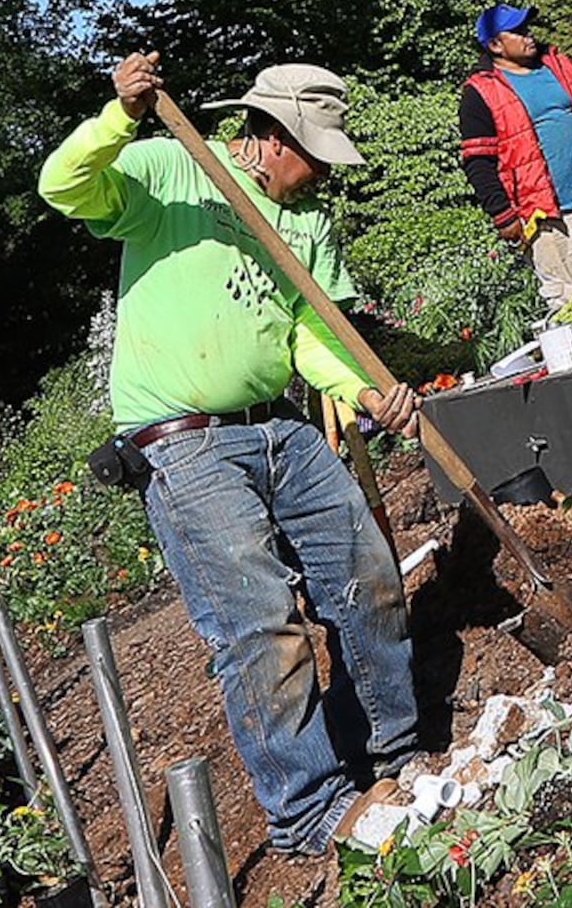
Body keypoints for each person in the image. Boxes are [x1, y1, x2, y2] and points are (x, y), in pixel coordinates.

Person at [39, 53, 424, 859]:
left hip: (277, 426)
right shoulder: (174, 168)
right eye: (317, 151)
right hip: (184, 445)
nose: (324, 170)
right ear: (276, 136)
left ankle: (390, 756)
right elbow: (62, 186)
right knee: (260, 626)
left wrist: (361, 394)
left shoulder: (308, 221)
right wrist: (120, 115)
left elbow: (311, 330)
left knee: (371, 576)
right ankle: (308, 809)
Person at [457, 5, 572, 316]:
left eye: (528, 28)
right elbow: (478, 163)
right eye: (518, 31)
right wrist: (503, 215)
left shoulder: (558, 65)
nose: (528, 35)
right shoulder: (480, 93)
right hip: (546, 218)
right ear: (495, 45)